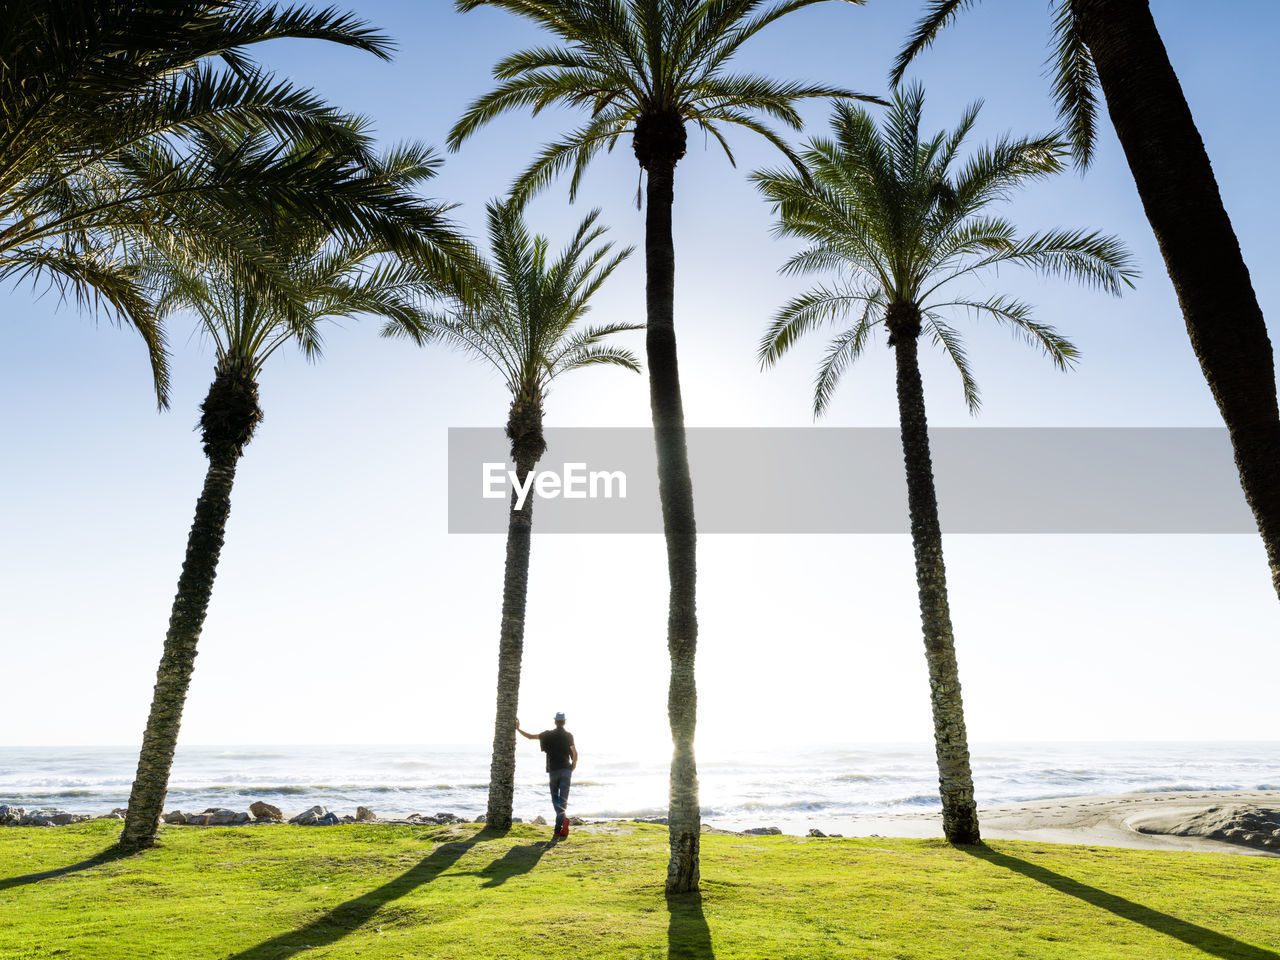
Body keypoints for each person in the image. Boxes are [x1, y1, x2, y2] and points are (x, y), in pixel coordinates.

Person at [516, 712, 577, 837]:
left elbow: (530, 737)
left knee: (555, 798)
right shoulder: (569, 735)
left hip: (554, 770)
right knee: (563, 800)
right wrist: (573, 765)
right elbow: (574, 753)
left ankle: (560, 825)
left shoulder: (547, 735)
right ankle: (560, 829)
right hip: (566, 770)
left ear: (555, 722)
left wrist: (518, 729)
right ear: (564, 722)